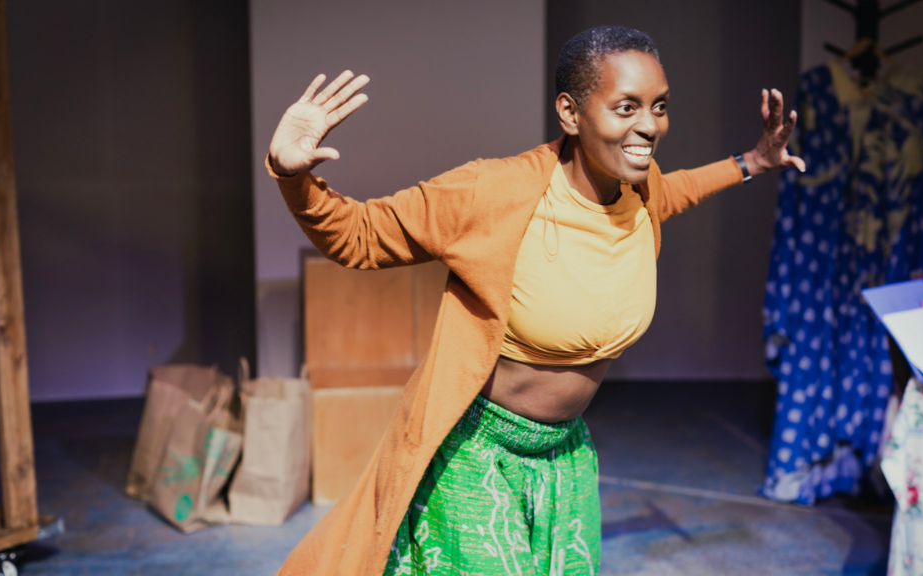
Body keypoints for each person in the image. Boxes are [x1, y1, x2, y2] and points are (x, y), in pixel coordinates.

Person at [267, 25, 804, 576]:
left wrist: (751, 163)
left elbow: (677, 191)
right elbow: (359, 236)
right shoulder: (492, 192)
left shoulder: (639, 192)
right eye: (626, 108)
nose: (649, 126)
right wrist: (293, 174)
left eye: (659, 106)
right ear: (570, 113)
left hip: (565, 453)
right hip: (476, 452)